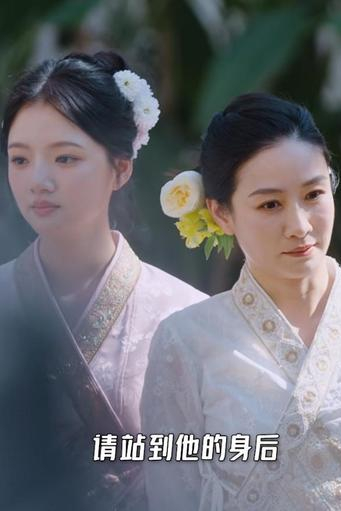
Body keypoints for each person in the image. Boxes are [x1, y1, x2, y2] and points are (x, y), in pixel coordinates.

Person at [141, 93, 341, 510]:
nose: (299, 226)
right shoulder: (186, 341)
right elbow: (171, 497)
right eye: (270, 204)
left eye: (313, 194)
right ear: (222, 213)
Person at [0, 51, 207, 509]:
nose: (38, 180)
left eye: (65, 158)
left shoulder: (188, 314)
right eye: (20, 159)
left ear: (121, 167)